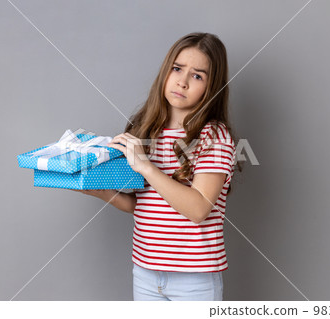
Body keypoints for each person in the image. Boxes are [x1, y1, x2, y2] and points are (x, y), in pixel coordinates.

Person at [73, 32, 240, 301]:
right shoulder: (147, 131)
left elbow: (198, 209)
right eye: (177, 69)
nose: (182, 82)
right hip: (146, 272)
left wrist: (146, 167)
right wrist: (102, 192)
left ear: (212, 87)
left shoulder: (214, 136)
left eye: (197, 76)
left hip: (194, 278)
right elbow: (142, 204)